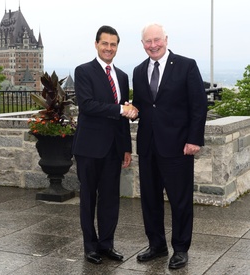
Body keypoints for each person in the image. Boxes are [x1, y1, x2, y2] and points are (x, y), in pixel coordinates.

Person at [132, 23, 207, 269]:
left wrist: (194, 139)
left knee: (180, 201)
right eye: (148, 42)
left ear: (166, 39)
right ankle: (157, 245)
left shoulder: (186, 65)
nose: (153, 45)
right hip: (148, 147)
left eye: (157, 40)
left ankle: (181, 248)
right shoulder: (138, 70)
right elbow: (143, 105)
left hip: (178, 147)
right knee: (150, 200)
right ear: (142, 44)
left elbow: (198, 106)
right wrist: (131, 110)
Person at [72, 25, 138, 265]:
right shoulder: (83, 71)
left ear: (117, 47)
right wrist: (121, 109)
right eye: (105, 43)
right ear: (96, 44)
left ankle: (107, 244)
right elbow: (87, 105)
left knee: (111, 199)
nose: (109, 48)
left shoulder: (122, 75)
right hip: (89, 147)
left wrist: (126, 147)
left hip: (113, 148)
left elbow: (122, 114)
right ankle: (90, 246)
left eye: (113, 44)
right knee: (88, 198)